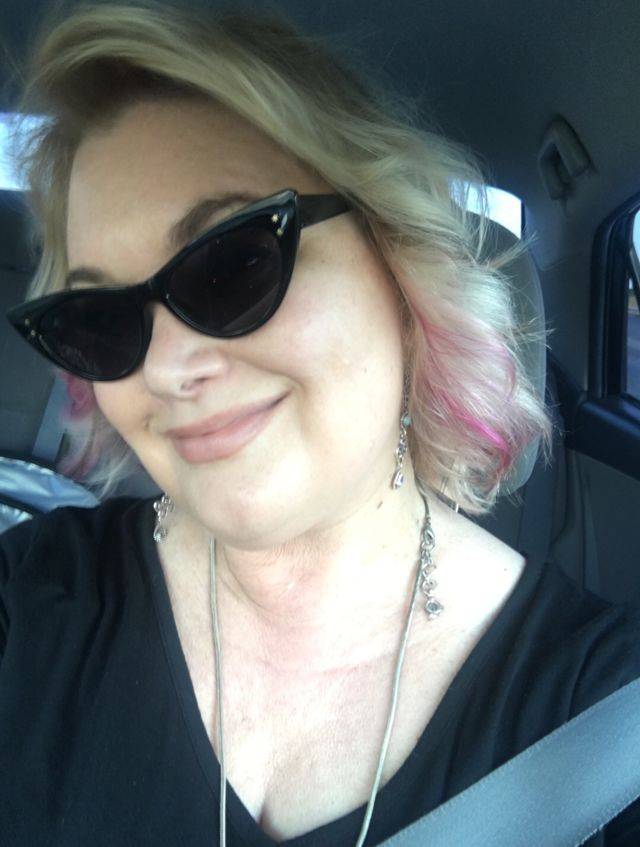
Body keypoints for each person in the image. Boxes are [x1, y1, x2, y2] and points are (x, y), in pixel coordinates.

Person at [0, 3, 638, 845]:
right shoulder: (29, 604)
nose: (165, 369)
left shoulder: (609, 726)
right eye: (102, 318)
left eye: (234, 263)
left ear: (399, 266)